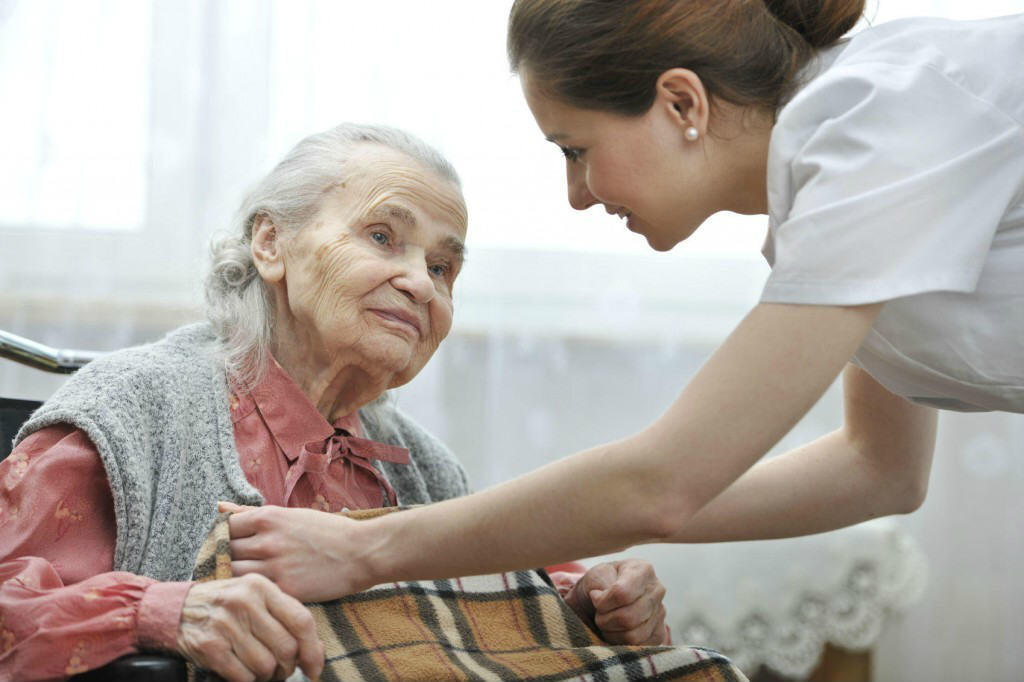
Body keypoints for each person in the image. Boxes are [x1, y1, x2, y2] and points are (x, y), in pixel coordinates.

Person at [219, 0, 1024, 603]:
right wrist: (554, 539)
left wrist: (367, 550)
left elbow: (662, 483)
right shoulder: (835, 198)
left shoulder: (873, 129)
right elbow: (876, 470)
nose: (576, 194)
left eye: (576, 149)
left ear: (682, 104)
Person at [0, 123, 669, 682]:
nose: (420, 284)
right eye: (382, 236)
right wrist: (166, 611)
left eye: (443, 268)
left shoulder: (424, 469)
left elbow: (485, 610)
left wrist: (586, 608)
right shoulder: (134, 408)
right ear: (271, 244)